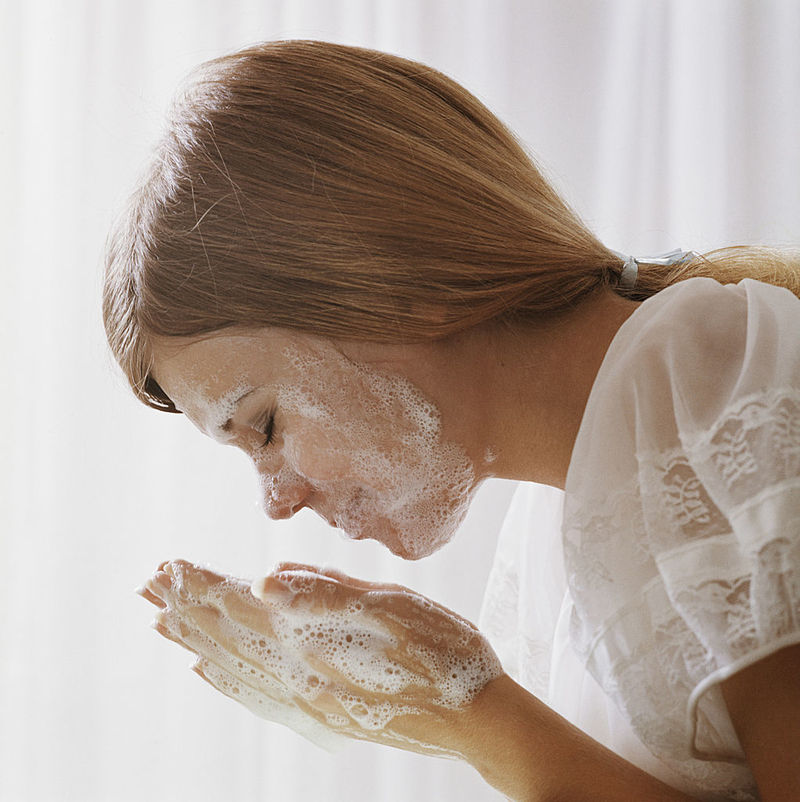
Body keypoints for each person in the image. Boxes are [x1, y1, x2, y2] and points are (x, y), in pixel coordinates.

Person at [104, 40, 800, 801]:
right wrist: (458, 712)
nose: (277, 501)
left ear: (401, 282)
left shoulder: (718, 396)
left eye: (264, 425)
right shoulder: (567, 511)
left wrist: (476, 718)